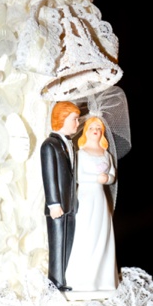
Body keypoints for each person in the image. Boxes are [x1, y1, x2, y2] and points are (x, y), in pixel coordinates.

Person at [63, 114, 117, 294]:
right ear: (86, 131)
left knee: (102, 232)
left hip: (100, 198)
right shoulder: (81, 153)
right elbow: (77, 177)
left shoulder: (106, 154)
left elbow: (112, 176)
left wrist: (107, 178)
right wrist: (96, 178)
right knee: (86, 232)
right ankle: (82, 279)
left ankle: (103, 279)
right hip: (86, 197)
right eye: (92, 128)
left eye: (98, 129)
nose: (96, 131)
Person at [39, 101, 80, 289]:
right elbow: (49, 176)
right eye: (75, 119)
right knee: (57, 246)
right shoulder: (49, 145)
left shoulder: (68, 144)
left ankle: (63, 280)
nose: (78, 124)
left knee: (67, 244)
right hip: (57, 207)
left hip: (70, 204)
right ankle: (54, 282)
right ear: (62, 119)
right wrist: (53, 203)